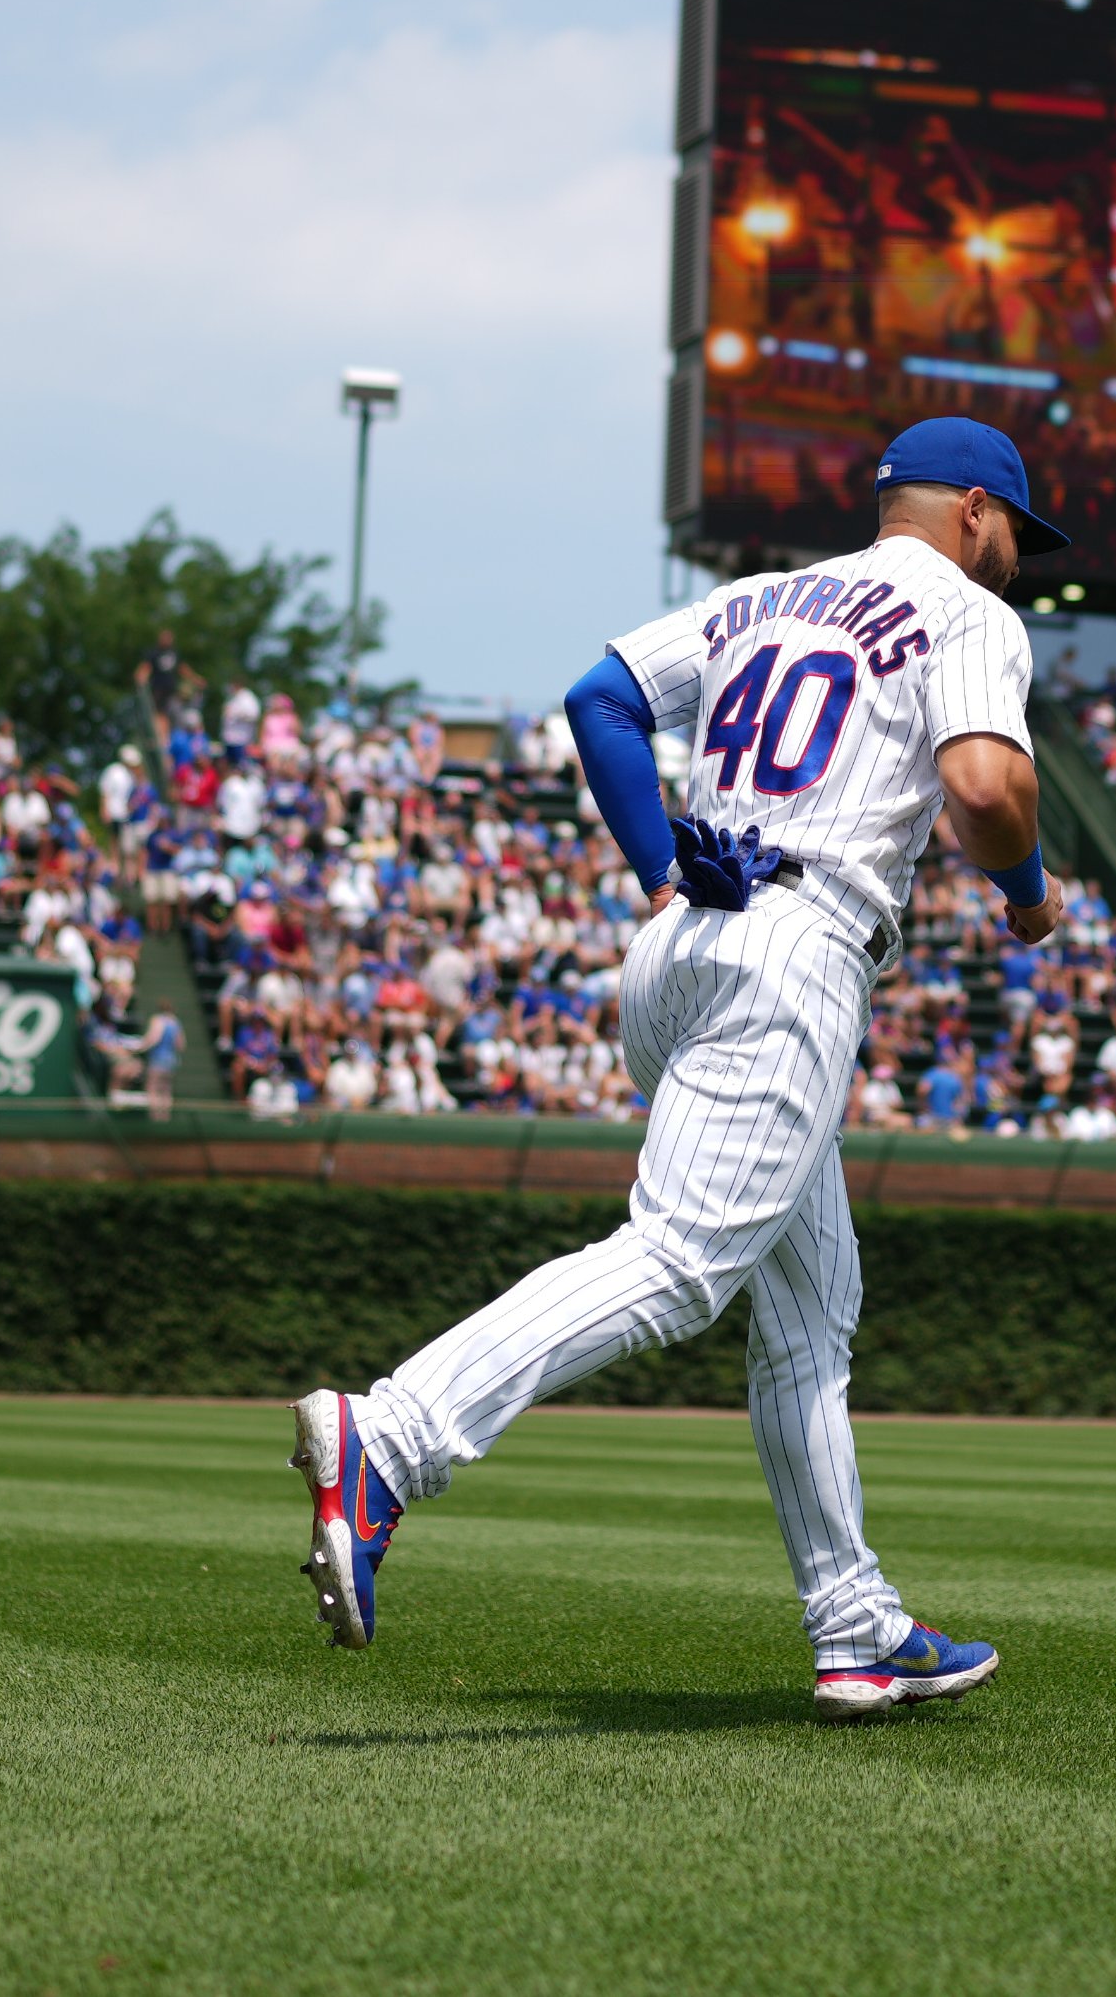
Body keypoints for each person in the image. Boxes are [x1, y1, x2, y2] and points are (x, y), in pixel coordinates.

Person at [290, 417, 1067, 1722]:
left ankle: (857, 1625)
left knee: (813, 1308)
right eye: (1014, 537)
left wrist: (662, 860)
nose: (1013, 562)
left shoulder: (759, 599)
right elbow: (985, 791)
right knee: (678, 1262)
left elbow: (597, 698)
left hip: (682, 945)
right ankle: (392, 1438)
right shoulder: (966, 608)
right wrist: (1033, 894)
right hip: (796, 948)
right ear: (978, 514)